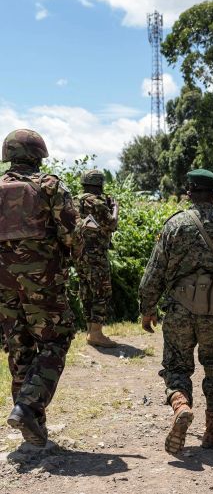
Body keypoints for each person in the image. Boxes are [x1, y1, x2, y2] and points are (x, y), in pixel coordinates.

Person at [139, 169, 213, 455]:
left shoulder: (175, 225)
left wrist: (147, 308)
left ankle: (181, 405)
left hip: (179, 310)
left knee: (177, 367)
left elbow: (153, 272)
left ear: (189, 193)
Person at [0, 129, 79, 447]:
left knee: (19, 346)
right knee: (56, 339)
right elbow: (72, 233)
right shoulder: (49, 185)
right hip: (43, 280)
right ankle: (29, 406)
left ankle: (32, 427)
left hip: (3, 283)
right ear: (38, 154)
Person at [75, 169, 119, 348]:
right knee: (102, 291)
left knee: (86, 290)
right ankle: (96, 333)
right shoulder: (99, 203)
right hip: (96, 255)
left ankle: (89, 330)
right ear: (100, 184)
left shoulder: (75, 200)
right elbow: (112, 224)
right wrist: (115, 207)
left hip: (79, 254)